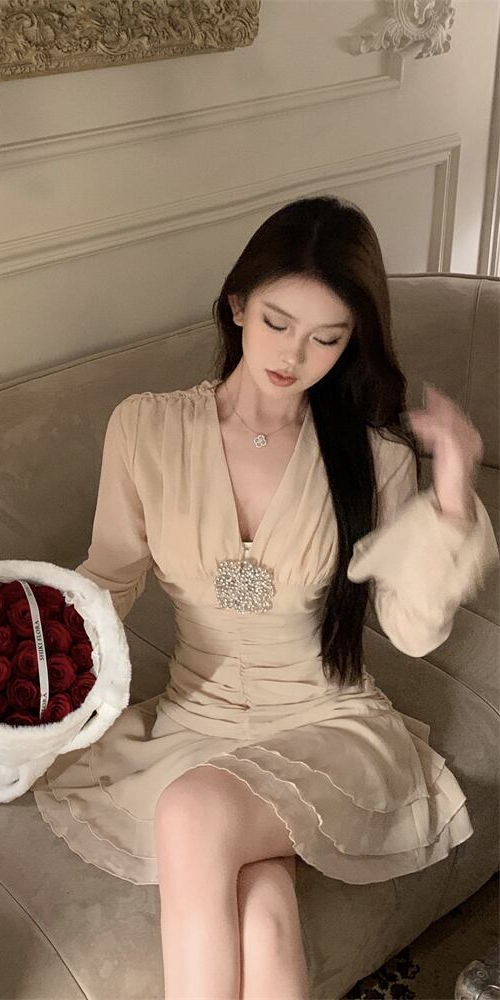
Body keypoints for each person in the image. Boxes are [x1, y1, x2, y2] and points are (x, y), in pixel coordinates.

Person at [32, 195, 499, 999]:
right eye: (278, 322)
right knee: (265, 908)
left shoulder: (373, 455)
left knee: (192, 815)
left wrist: (452, 498)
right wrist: (31, 662)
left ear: (352, 341)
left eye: (328, 337)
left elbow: (411, 631)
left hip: (329, 722)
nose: (295, 354)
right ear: (238, 304)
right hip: (195, 723)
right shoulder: (145, 429)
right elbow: (110, 574)